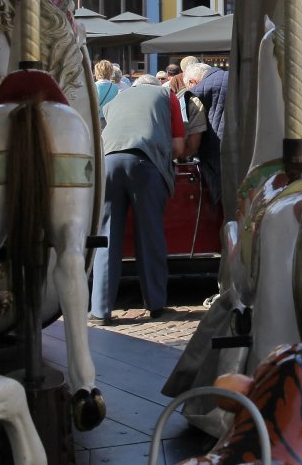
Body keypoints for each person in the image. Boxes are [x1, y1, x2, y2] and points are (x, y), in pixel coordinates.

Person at [93, 76, 185, 323]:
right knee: (150, 235)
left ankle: (100, 310)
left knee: (107, 236)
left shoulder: (115, 100)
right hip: (145, 162)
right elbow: (178, 147)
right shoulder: (167, 96)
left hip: (108, 162)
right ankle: (156, 305)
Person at [185, 61, 227, 201]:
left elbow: (194, 142)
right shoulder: (233, 77)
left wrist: (181, 153)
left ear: (192, 82)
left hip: (218, 157)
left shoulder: (198, 91)